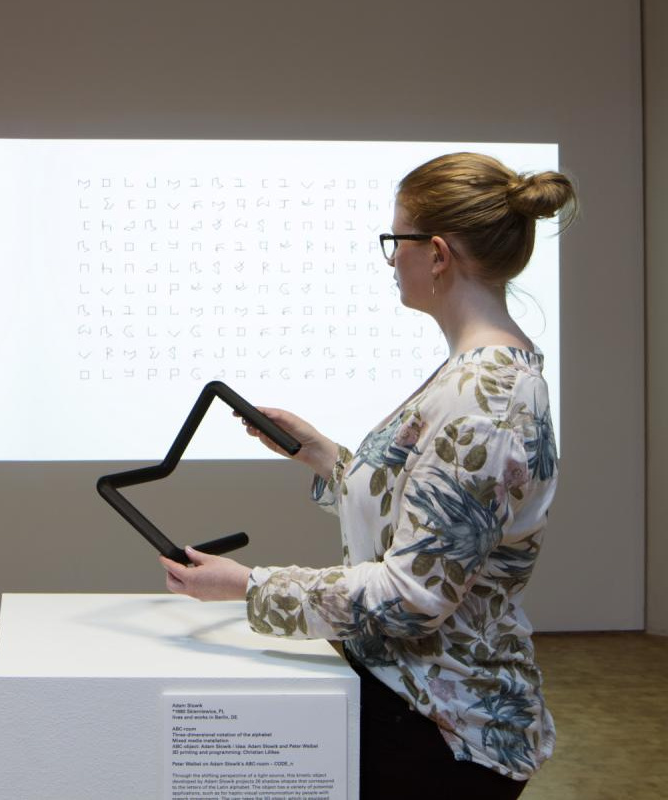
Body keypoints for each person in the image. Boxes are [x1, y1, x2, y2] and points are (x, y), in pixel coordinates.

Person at [159, 152, 577, 799]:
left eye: (397, 241)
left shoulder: (487, 397)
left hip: (443, 731)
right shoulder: (479, 376)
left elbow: (412, 598)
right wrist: (324, 456)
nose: (392, 259)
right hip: (413, 709)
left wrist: (250, 587)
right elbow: (426, 522)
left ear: (436, 253)